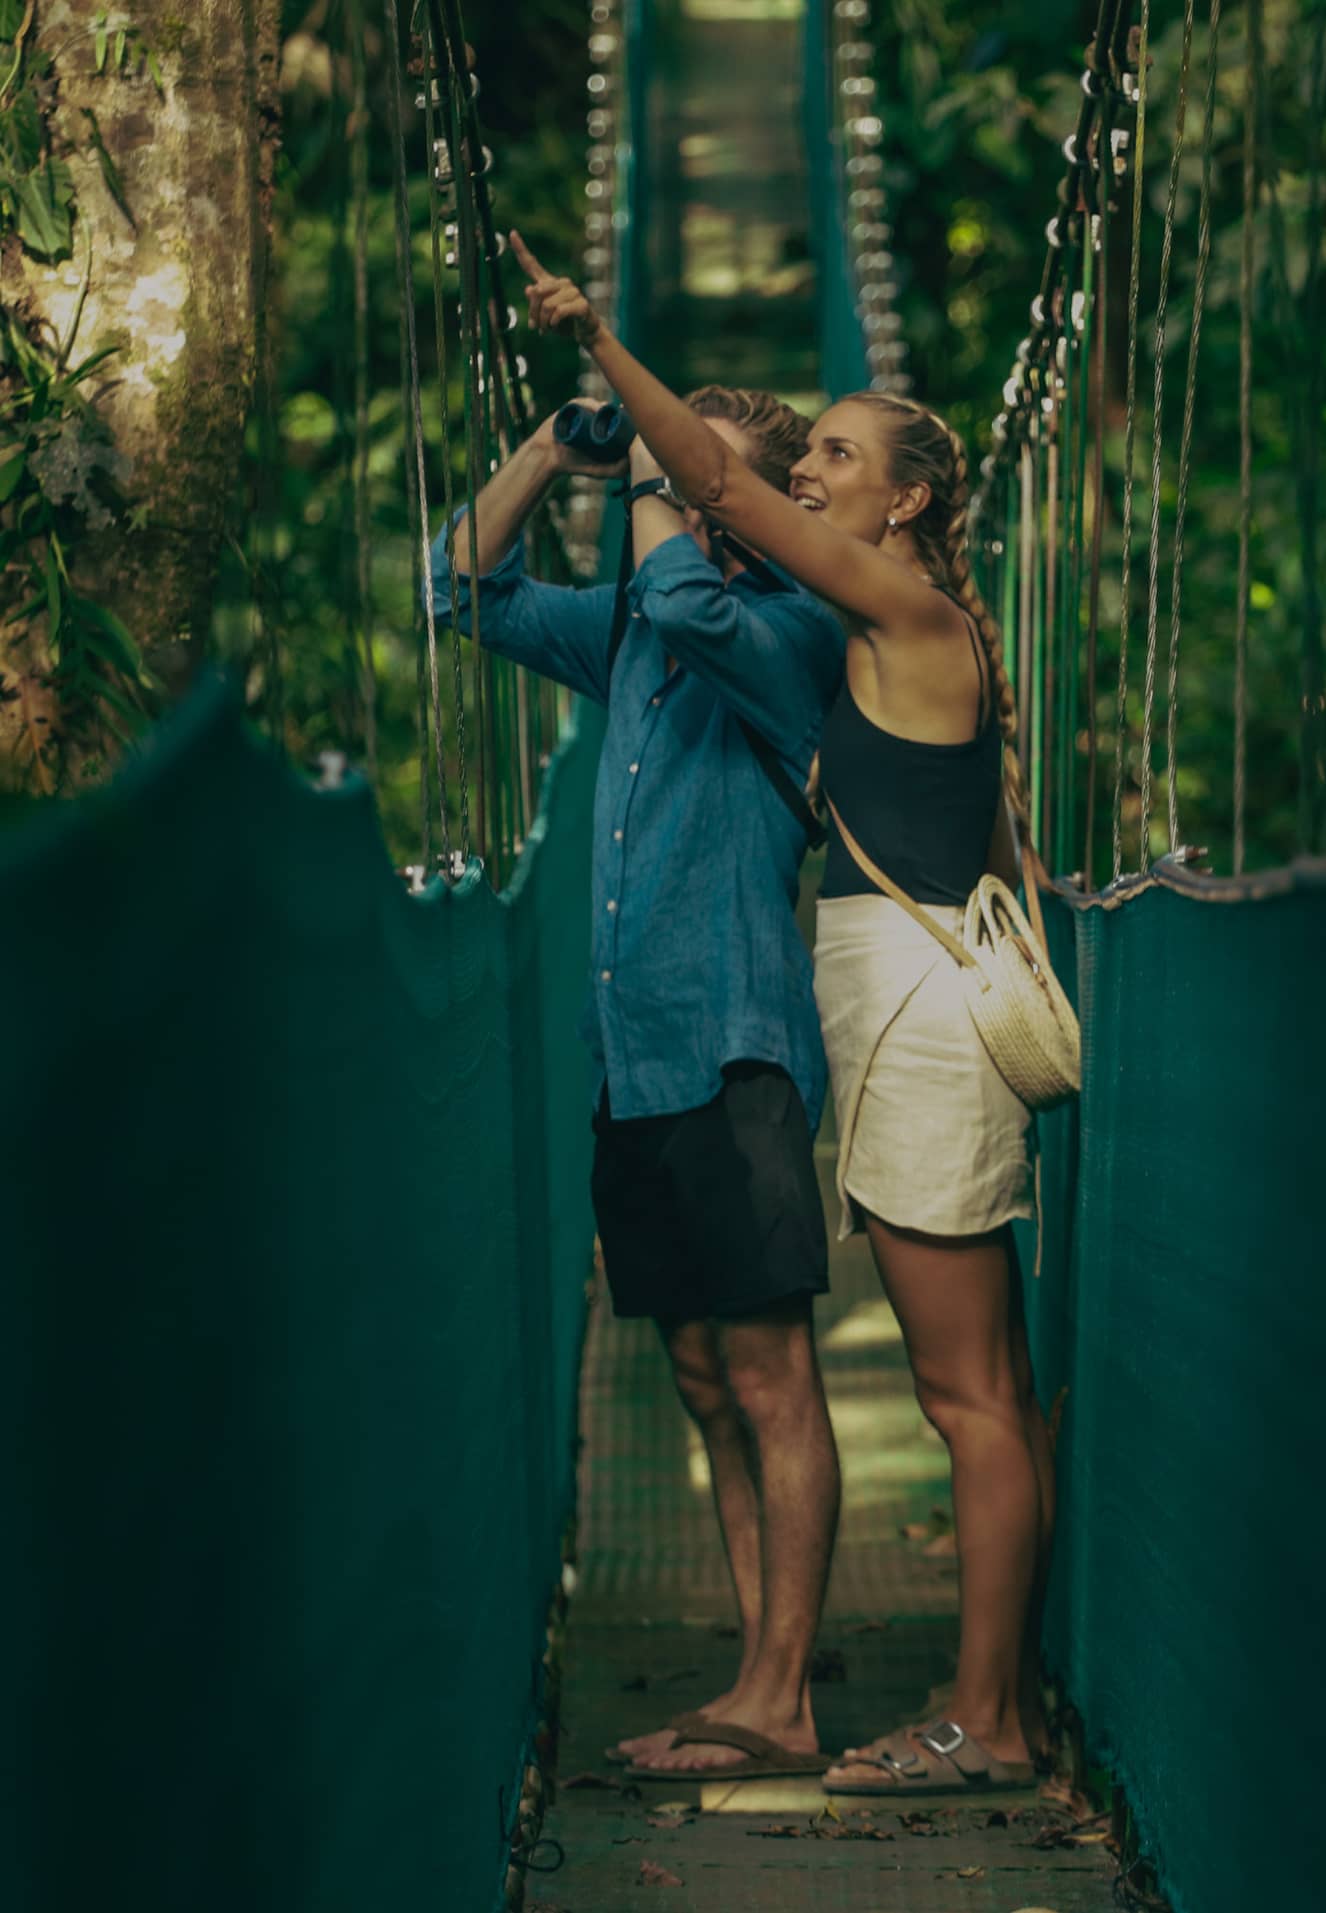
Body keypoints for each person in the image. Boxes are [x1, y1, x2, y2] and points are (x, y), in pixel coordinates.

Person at [511, 232, 1058, 1797]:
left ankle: (985, 1723)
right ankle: (988, 1707)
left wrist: (607, 346)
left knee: (963, 1396)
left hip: (917, 1011)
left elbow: (720, 496)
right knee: (989, 1390)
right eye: (804, 448)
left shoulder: (900, 605)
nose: (805, 469)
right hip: (906, 1003)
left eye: (835, 452)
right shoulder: (901, 630)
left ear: (907, 501)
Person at [427, 385, 845, 1779]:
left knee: (772, 1374)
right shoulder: (628, 636)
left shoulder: (789, 634)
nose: (667, 488)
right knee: (697, 1370)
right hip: (637, 1056)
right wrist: (555, 447)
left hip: (733, 1049)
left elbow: (688, 595)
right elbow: (457, 590)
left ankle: (781, 1693)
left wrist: (674, 475)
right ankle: (753, 1676)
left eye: (696, 473)